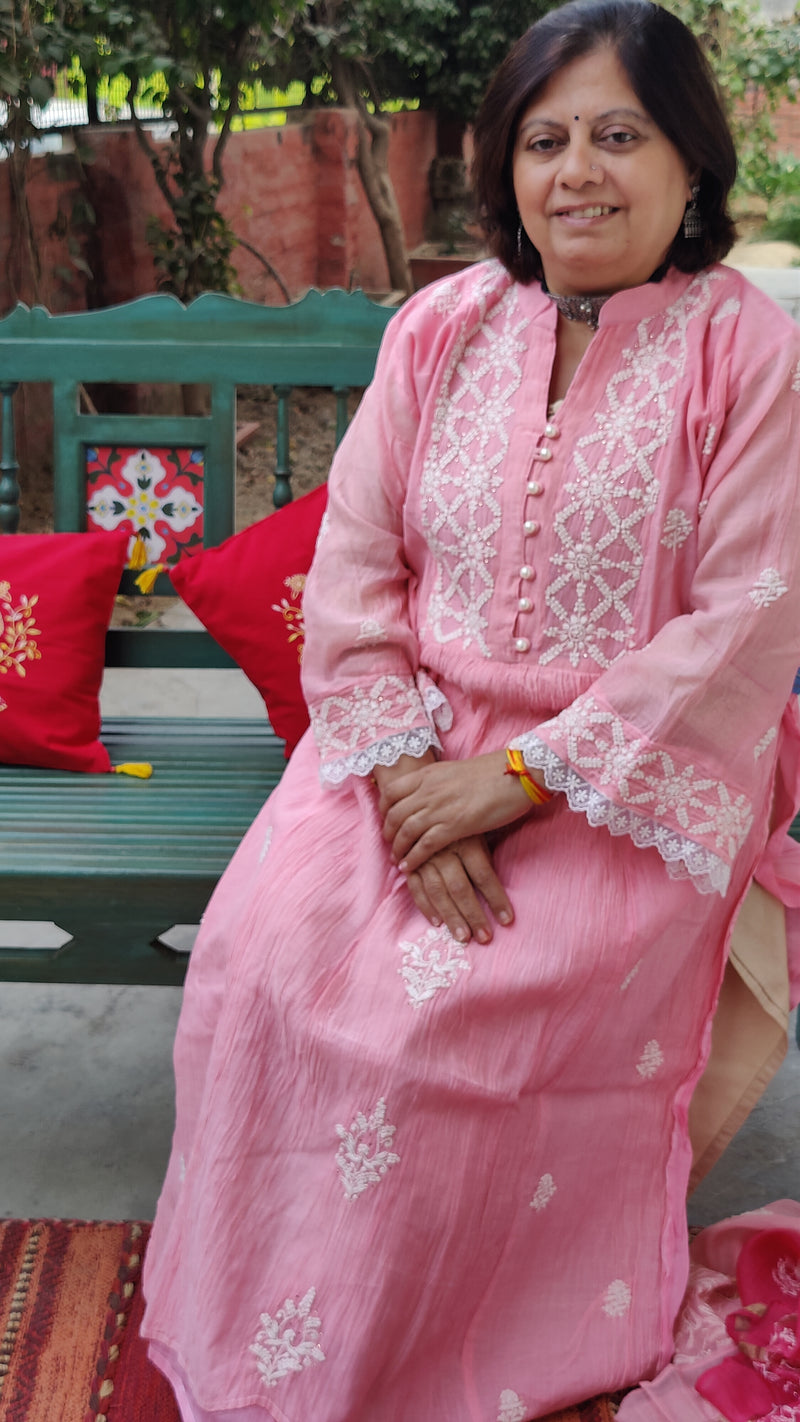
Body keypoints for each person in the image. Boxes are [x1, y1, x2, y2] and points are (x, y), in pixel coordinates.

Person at [141, 2, 800, 1418]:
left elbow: (745, 614)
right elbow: (357, 569)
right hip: (404, 748)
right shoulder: (441, 325)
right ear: (503, 167)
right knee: (267, 963)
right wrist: (402, 785)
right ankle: (282, 1326)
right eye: (545, 138)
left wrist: (517, 782)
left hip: (633, 775)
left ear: (691, 162)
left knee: (443, 1029)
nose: (579, 171)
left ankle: (459, 1342)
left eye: (621, 135)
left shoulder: (749, 353)